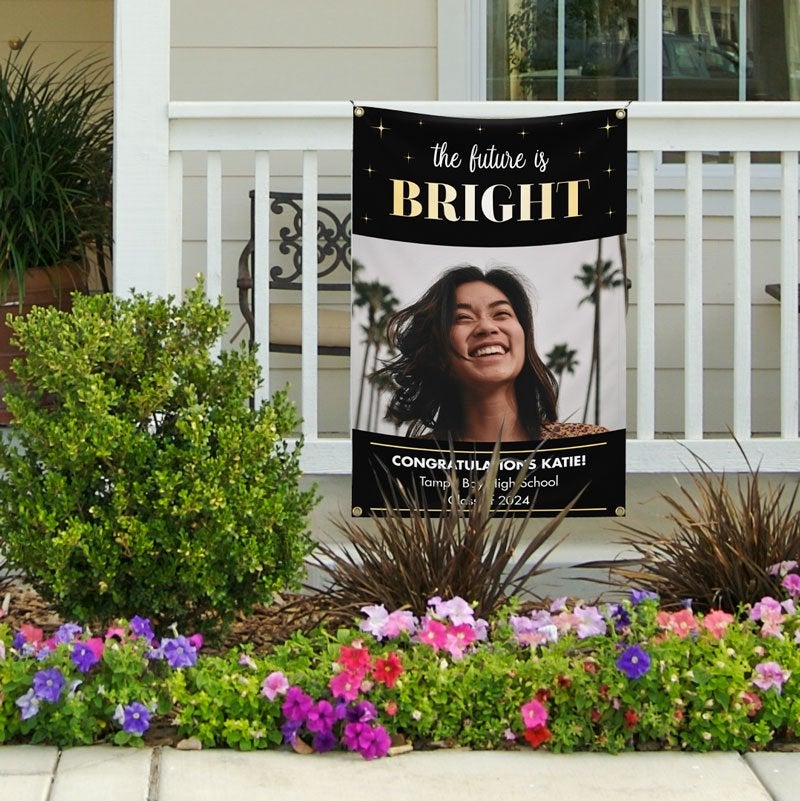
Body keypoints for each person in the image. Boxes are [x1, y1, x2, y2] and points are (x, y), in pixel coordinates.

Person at [374, 264, 607, 442]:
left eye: (501, 313)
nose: (487, 327)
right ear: (438, 353)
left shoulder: (586, 444)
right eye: (462, 318)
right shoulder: (411, 465)